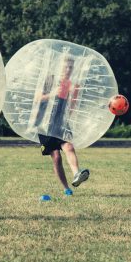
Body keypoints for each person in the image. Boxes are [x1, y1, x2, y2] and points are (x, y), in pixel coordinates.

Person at [35, 55, 90, 196]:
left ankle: (77, 173)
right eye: (65, 66)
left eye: (71, 67)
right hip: (45, 124)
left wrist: (73, 96)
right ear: (59, 67)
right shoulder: (49, 80)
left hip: (61, 122)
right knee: (56, 157)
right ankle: (66, 188)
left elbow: (71, 110)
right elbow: (37, 99)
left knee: (69, 147)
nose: (68, 69)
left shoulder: (71, 85)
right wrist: (52, 94)